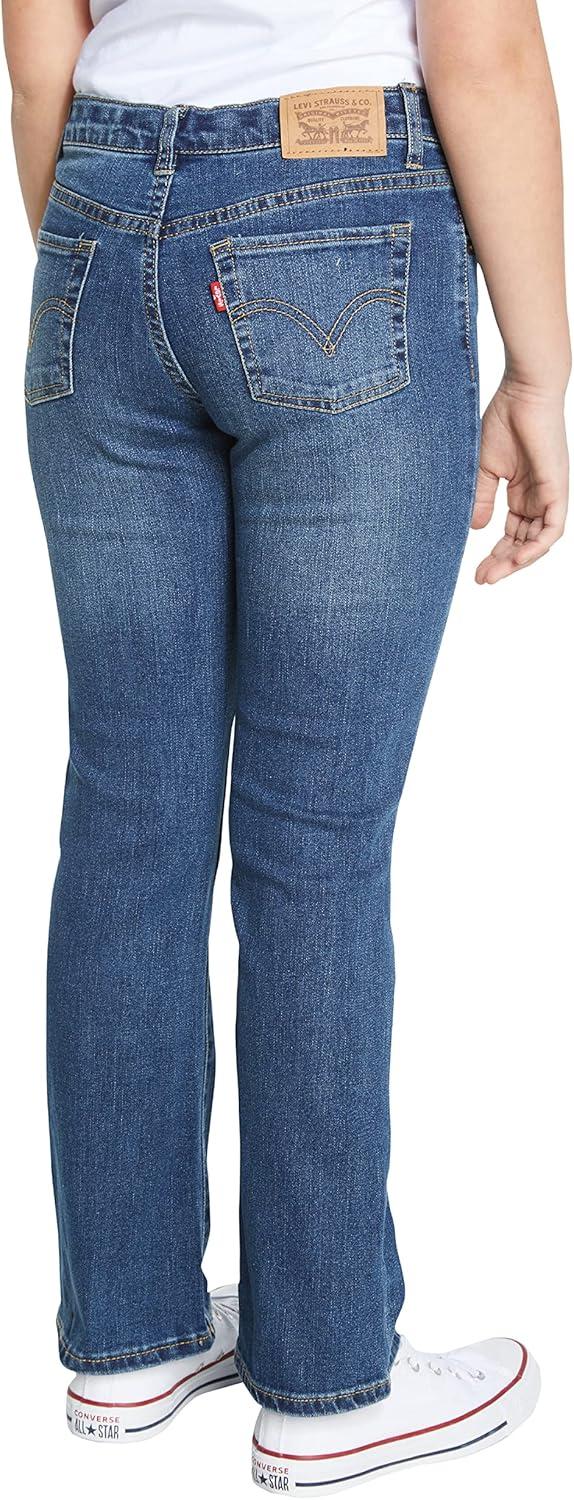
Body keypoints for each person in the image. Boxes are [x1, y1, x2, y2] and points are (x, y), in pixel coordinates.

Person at [3, 0, 569, 1488]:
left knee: (126, 819)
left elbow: (37, 44)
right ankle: (327, 1383)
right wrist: (539, 372)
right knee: (313, 841)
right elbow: (482, 49)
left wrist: (113, 259)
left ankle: (129, 1337)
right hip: (342, 207)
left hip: (95, 213)